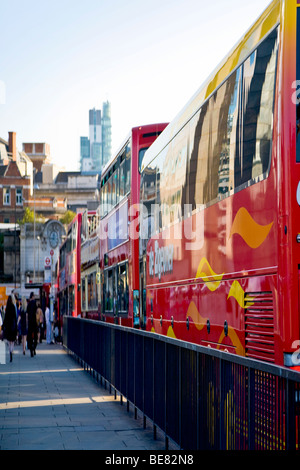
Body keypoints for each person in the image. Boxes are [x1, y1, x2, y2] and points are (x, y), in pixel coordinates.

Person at [3, 295, 17, 362]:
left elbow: (5, 318)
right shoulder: (13, 307)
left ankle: (10, 351)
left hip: (8, 327)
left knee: (9, 341)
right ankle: (12, 350)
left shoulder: (7, 308)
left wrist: (4, 326)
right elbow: (15, 317)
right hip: (13, 326)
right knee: (12, 341)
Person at [27, 292, 38, 357]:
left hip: (30, 322)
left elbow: (27, 313)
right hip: (34, 321)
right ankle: (34, 347)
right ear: (33, 296)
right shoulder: (34, 303)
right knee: (35, 336)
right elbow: (36, 311)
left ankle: (31, 349)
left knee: (30, 336)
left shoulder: (28, 304)